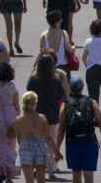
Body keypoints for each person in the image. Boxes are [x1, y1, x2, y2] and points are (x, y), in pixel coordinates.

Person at [57, 77, 101, 183]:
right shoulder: (91, 102)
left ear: (70, 88)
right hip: (89, 142)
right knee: (88, 173)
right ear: (82, 88)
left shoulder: (65, 104)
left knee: (76, 173)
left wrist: (57, 149)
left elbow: (61, 129)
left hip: (72, 143)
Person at [27, 51, 66, 179]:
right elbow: (61, 96)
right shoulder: (55, 80)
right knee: (51, 143)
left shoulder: (33, 79)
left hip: (36, 115)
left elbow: (29, 94)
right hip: (52, 115)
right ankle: (50, 170)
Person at [16, 91, 63, 183]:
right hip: (40, 148)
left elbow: (19, 139)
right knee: (41, 180)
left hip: (25, 148)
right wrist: (56, 152)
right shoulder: (42, 118)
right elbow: (48, 138)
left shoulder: (18, 120)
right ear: (35, 104)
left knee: (29, 180)